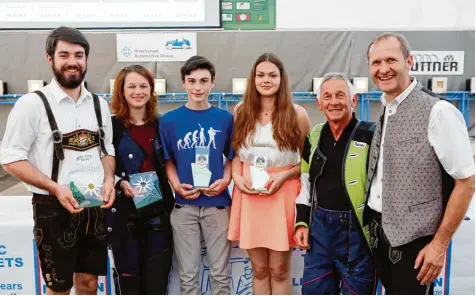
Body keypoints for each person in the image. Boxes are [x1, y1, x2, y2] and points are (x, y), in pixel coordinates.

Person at [0, 26, 115, 295]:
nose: (72, 61)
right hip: (52, 206)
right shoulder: (32, 104)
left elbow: (106, 151)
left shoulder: (99, 105)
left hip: (92, 204)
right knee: (59, 287)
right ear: (50, 58)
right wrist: (55, 188)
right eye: (64, 54)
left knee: (89, 284)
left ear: (86, 59)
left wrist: (109, 178)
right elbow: (11, 158)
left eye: (79, 54)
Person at [365, 32, 475, 294]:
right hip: (380, 235)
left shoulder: (439, 111)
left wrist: (439, 245)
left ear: (409, 61)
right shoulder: (385, 108)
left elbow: (466, 182)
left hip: (416, 244)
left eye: (391, 60)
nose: (383, 69)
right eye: (376, 62)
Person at [228, 52, 311, 295]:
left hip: (281, 196)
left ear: (281, 79)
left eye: (272, 75)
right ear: (253, 79)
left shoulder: (297, 114)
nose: (266, 80)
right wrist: (237, 177)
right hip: (250, 195)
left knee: (279, 270)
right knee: (259, 270)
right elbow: (235, 156)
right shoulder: (241, 111)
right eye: (261, 75)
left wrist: (283, 176)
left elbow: (307, 164)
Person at [294, 73, 376, 294]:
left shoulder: (371, 134)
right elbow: (305, 182)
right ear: (319, 104)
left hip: (357, 233)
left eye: (341, 95)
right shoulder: (314, 135)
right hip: (319, 233)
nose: (334, 102)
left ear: (354, 100)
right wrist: (302, 222)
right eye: (327, 96)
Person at [159, 56, 234, 295]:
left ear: (213, 83)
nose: (198, 87)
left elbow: (232, 157)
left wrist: (225, 180)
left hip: (217, 206)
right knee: (188, 275)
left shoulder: (225, 119)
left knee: (220, 274)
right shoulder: (169, 121)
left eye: (203, 81)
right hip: (185, 206)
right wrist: (176, 185)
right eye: (192, 81)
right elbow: (167, 160)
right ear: (183, 83)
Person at [106, 65, 175, 294]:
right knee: (129, 283)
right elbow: (95, 163)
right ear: (122, 91)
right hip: (124, 214)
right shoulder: (110, 126)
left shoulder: (162, 123)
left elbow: (174, 161)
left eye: (143, 86)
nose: (138, 91)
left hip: (158, 213)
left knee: (156, 283)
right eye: (132, 86)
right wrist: (117, 181)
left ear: (151, 90)